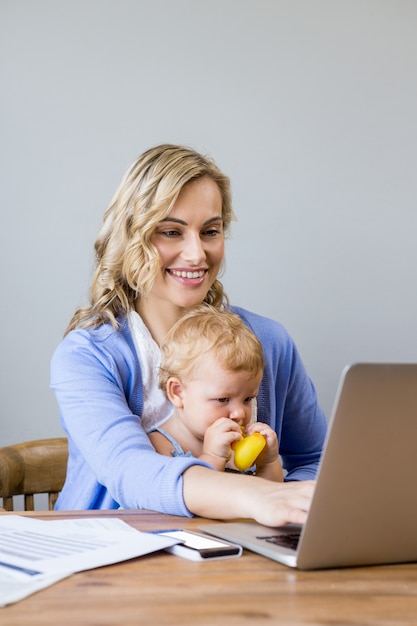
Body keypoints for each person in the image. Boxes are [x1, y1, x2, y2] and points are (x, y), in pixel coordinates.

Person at [50, 143, 327, 527]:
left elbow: (314, 459)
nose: (197, 254)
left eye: (210, 231)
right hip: (104, 561)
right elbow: (131, 471)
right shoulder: (87, 356)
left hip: (236, 559)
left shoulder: (268, 342)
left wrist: (286, 501)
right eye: (171, 232)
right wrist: (261, 498)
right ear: (133, 237)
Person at [151, 303, 284, 482]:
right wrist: (213, 457)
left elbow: (271, 498)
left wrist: (268, 463)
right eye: (223, 399)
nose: (239, 413)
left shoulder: (238, 444)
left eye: (247, 399)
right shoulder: (160, 447)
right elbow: (185, 500)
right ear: (178, 392)